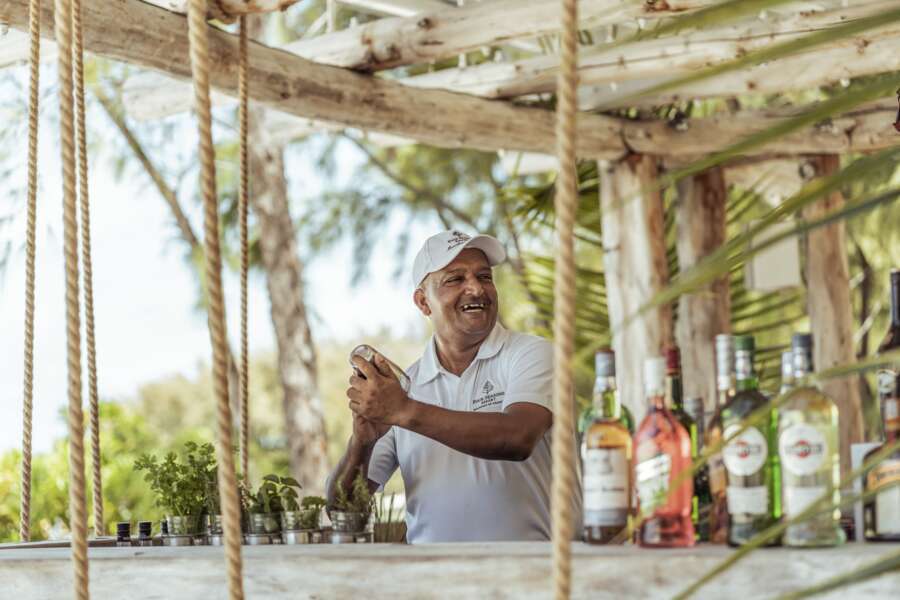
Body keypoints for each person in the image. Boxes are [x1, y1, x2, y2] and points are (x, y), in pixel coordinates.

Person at [326, 230, 581, 543]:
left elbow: (518, 437)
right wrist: (361, 444)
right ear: (423, 302)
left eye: (484, 277)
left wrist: (404, 411)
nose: (476, 288)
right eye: (455, 279)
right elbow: (343, 511)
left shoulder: (532, 354)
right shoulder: (404, 388)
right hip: (434, 572)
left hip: (536, 569)